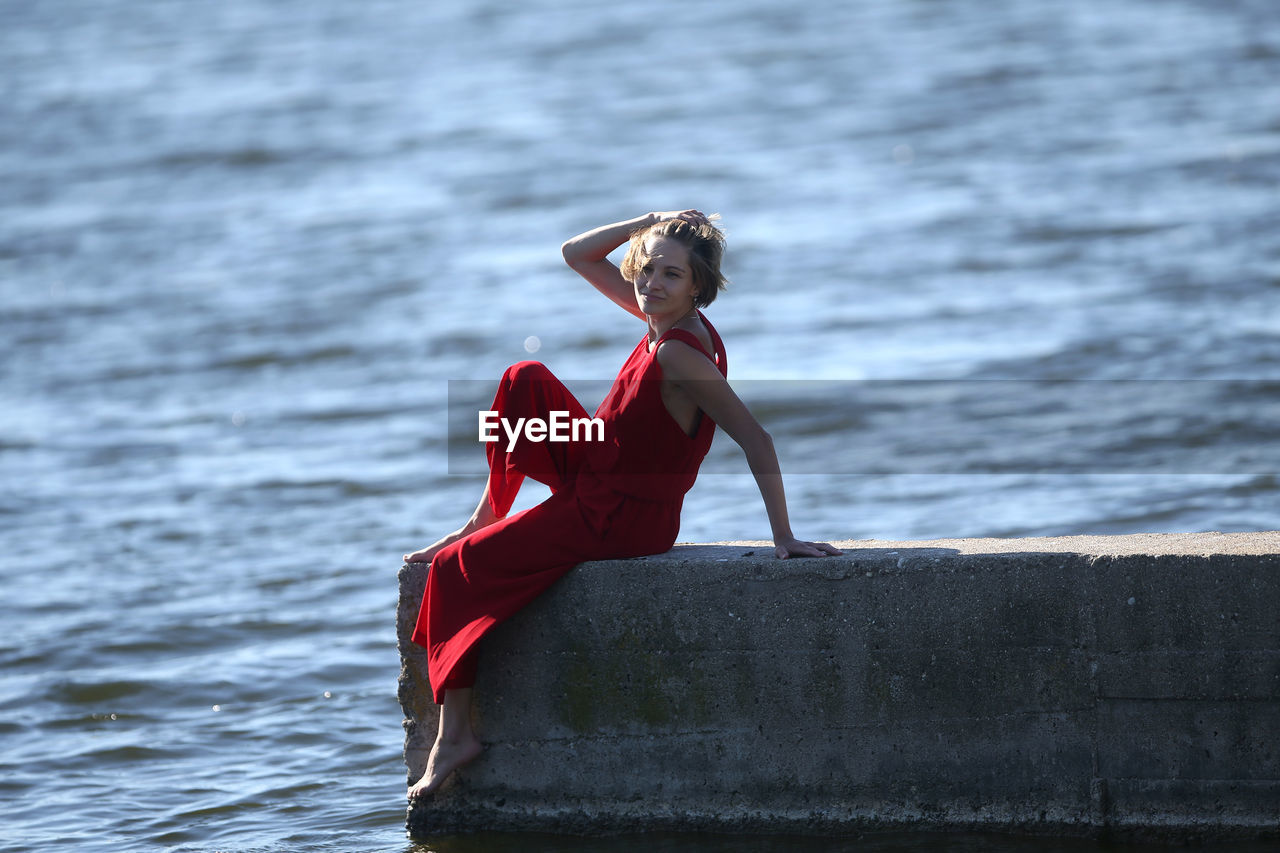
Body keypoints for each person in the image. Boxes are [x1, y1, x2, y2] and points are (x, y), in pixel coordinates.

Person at [403, 209, 840, 800]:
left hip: (619, 515)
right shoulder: (660, 319)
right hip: (599, 466)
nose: (651, 285)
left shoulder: (679, 354)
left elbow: (756, 438)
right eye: (646, 269)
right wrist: (651, 219)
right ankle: (487, 516)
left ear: (698, 286)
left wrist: (783, 537)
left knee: (458, 570)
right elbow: (575, 253)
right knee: (522, 379)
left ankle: (456, 737)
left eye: (671, 275)